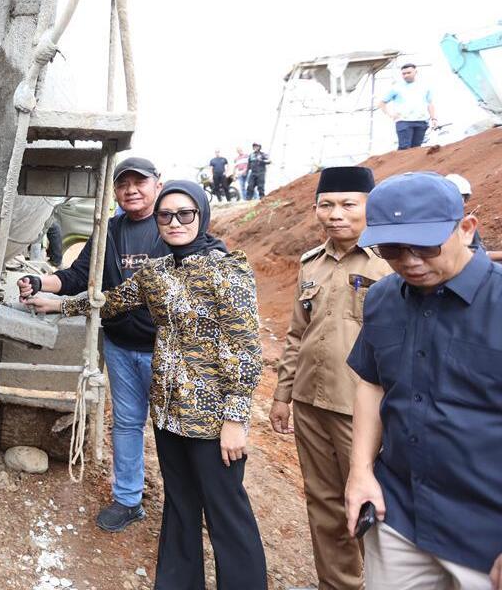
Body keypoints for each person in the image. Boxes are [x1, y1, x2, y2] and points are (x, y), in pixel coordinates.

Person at [27, 180, 267, 588]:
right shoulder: (155, 273)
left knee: (227, 514)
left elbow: (244, 347)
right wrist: (59, 304)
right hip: (169, 414)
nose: (174, 222)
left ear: (201, 216)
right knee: (179, 506)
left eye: (184, 214)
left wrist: (235, 419)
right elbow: (111, 300)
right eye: (166, 216)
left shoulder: (226, 270)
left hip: (211, 420)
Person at [345, 172, 501, 589]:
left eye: (427, 245)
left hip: (487, 534)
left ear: (466, 229)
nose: (411, 260)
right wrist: (360, 471)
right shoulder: (381, 298)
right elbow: (372, 383)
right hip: (400, 517)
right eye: (393, 249)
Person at [17, 157, 169, 533]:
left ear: (158, 185)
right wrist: (40, 284)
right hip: (119, 347)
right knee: (128, 424)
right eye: (124, 184)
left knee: (175, 429)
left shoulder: (172, 226)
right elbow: (79, 276)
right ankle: (128, 500)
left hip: (168, 350)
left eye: (140, 182)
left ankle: (184, 504)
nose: (131, 189)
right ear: (115, 191)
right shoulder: (109, 231)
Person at [270, 166, 389, 590]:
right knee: (323, 505)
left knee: (373, 509)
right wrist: (282, 394)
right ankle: (337, 584)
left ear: (369, 207)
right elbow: (296, 334)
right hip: (310, 403)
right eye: (326, 204)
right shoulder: (311, 264)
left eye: (347, 204)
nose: (335, 214)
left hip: (365, 411)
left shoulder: (391, 262)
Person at [378, 63, 439, 151]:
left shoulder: (425, 86)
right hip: (404, 121)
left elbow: (430, 103)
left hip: (421, 121)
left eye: (408, 73)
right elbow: (382, 103)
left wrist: (434, 119)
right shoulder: (396, 87)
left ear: (415, 72)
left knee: (417, 148)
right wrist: (390, 114)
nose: (406, 75)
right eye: (403, 73)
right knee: (404, 147)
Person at [444, 173, 502, 262]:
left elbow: (479, 253)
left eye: (466, 198)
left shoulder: (457, 221)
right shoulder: (454, 224)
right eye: (463, 198)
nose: (465, 204)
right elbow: (474, 257)